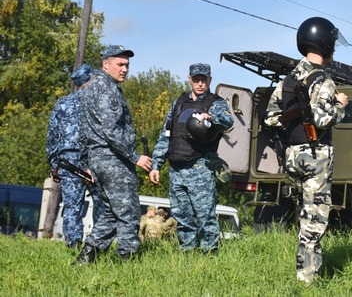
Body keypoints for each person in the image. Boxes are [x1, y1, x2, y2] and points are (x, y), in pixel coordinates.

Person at [263, 16, 348, 284]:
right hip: (316, 154)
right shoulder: (322, 78)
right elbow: (324, 119)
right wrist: (341, 104)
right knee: (315, 218)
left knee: (303, 214)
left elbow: (271, 117)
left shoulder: (288, 79)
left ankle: (304, 271)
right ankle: (307, 278)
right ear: (325, 43)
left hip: (292, 154)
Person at [75, 45, 153, 264]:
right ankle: (126, 261)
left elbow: (83, 131)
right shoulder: (108, 90)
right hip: (113, 160)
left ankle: (86, 258)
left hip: (98, 159)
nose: (125, 69)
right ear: (105, 64)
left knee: (109, 214)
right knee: (128, 213)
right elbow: (111, 131)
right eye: (120, 64)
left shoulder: (89, 89)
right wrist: (135, 157)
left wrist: (86, 163)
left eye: (127, 65)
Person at [148, 63, 233, 254]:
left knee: (205, 216)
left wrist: (211, 118)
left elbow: (228, 120)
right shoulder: (178, 103)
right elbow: (166, 135)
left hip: (199, 167)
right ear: (189, 79)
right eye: (196, 79)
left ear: (210, 80)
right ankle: (188, 254)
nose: (200, 83)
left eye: (204, 80)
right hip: (176, 170)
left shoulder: (215, 103)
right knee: (182, 217)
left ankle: (210, 255)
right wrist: (156, 164)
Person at [46, 65, 105, 248]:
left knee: (72, 206)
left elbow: (52, 137)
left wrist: (54, 165)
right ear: (92, 81)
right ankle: (96, 245)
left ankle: (74, 245)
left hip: (67, 161)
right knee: (101, 202)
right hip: (92, 159)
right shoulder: (97, 103)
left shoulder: (62, 103)